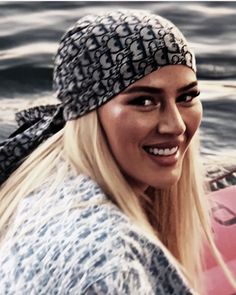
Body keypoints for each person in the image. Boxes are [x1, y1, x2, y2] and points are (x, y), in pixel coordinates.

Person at [0, 9, 235, 294]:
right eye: (144, 101)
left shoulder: (40, 183)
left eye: (187, 97)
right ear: (88, 114)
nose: (175, 125)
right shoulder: (109, 263)